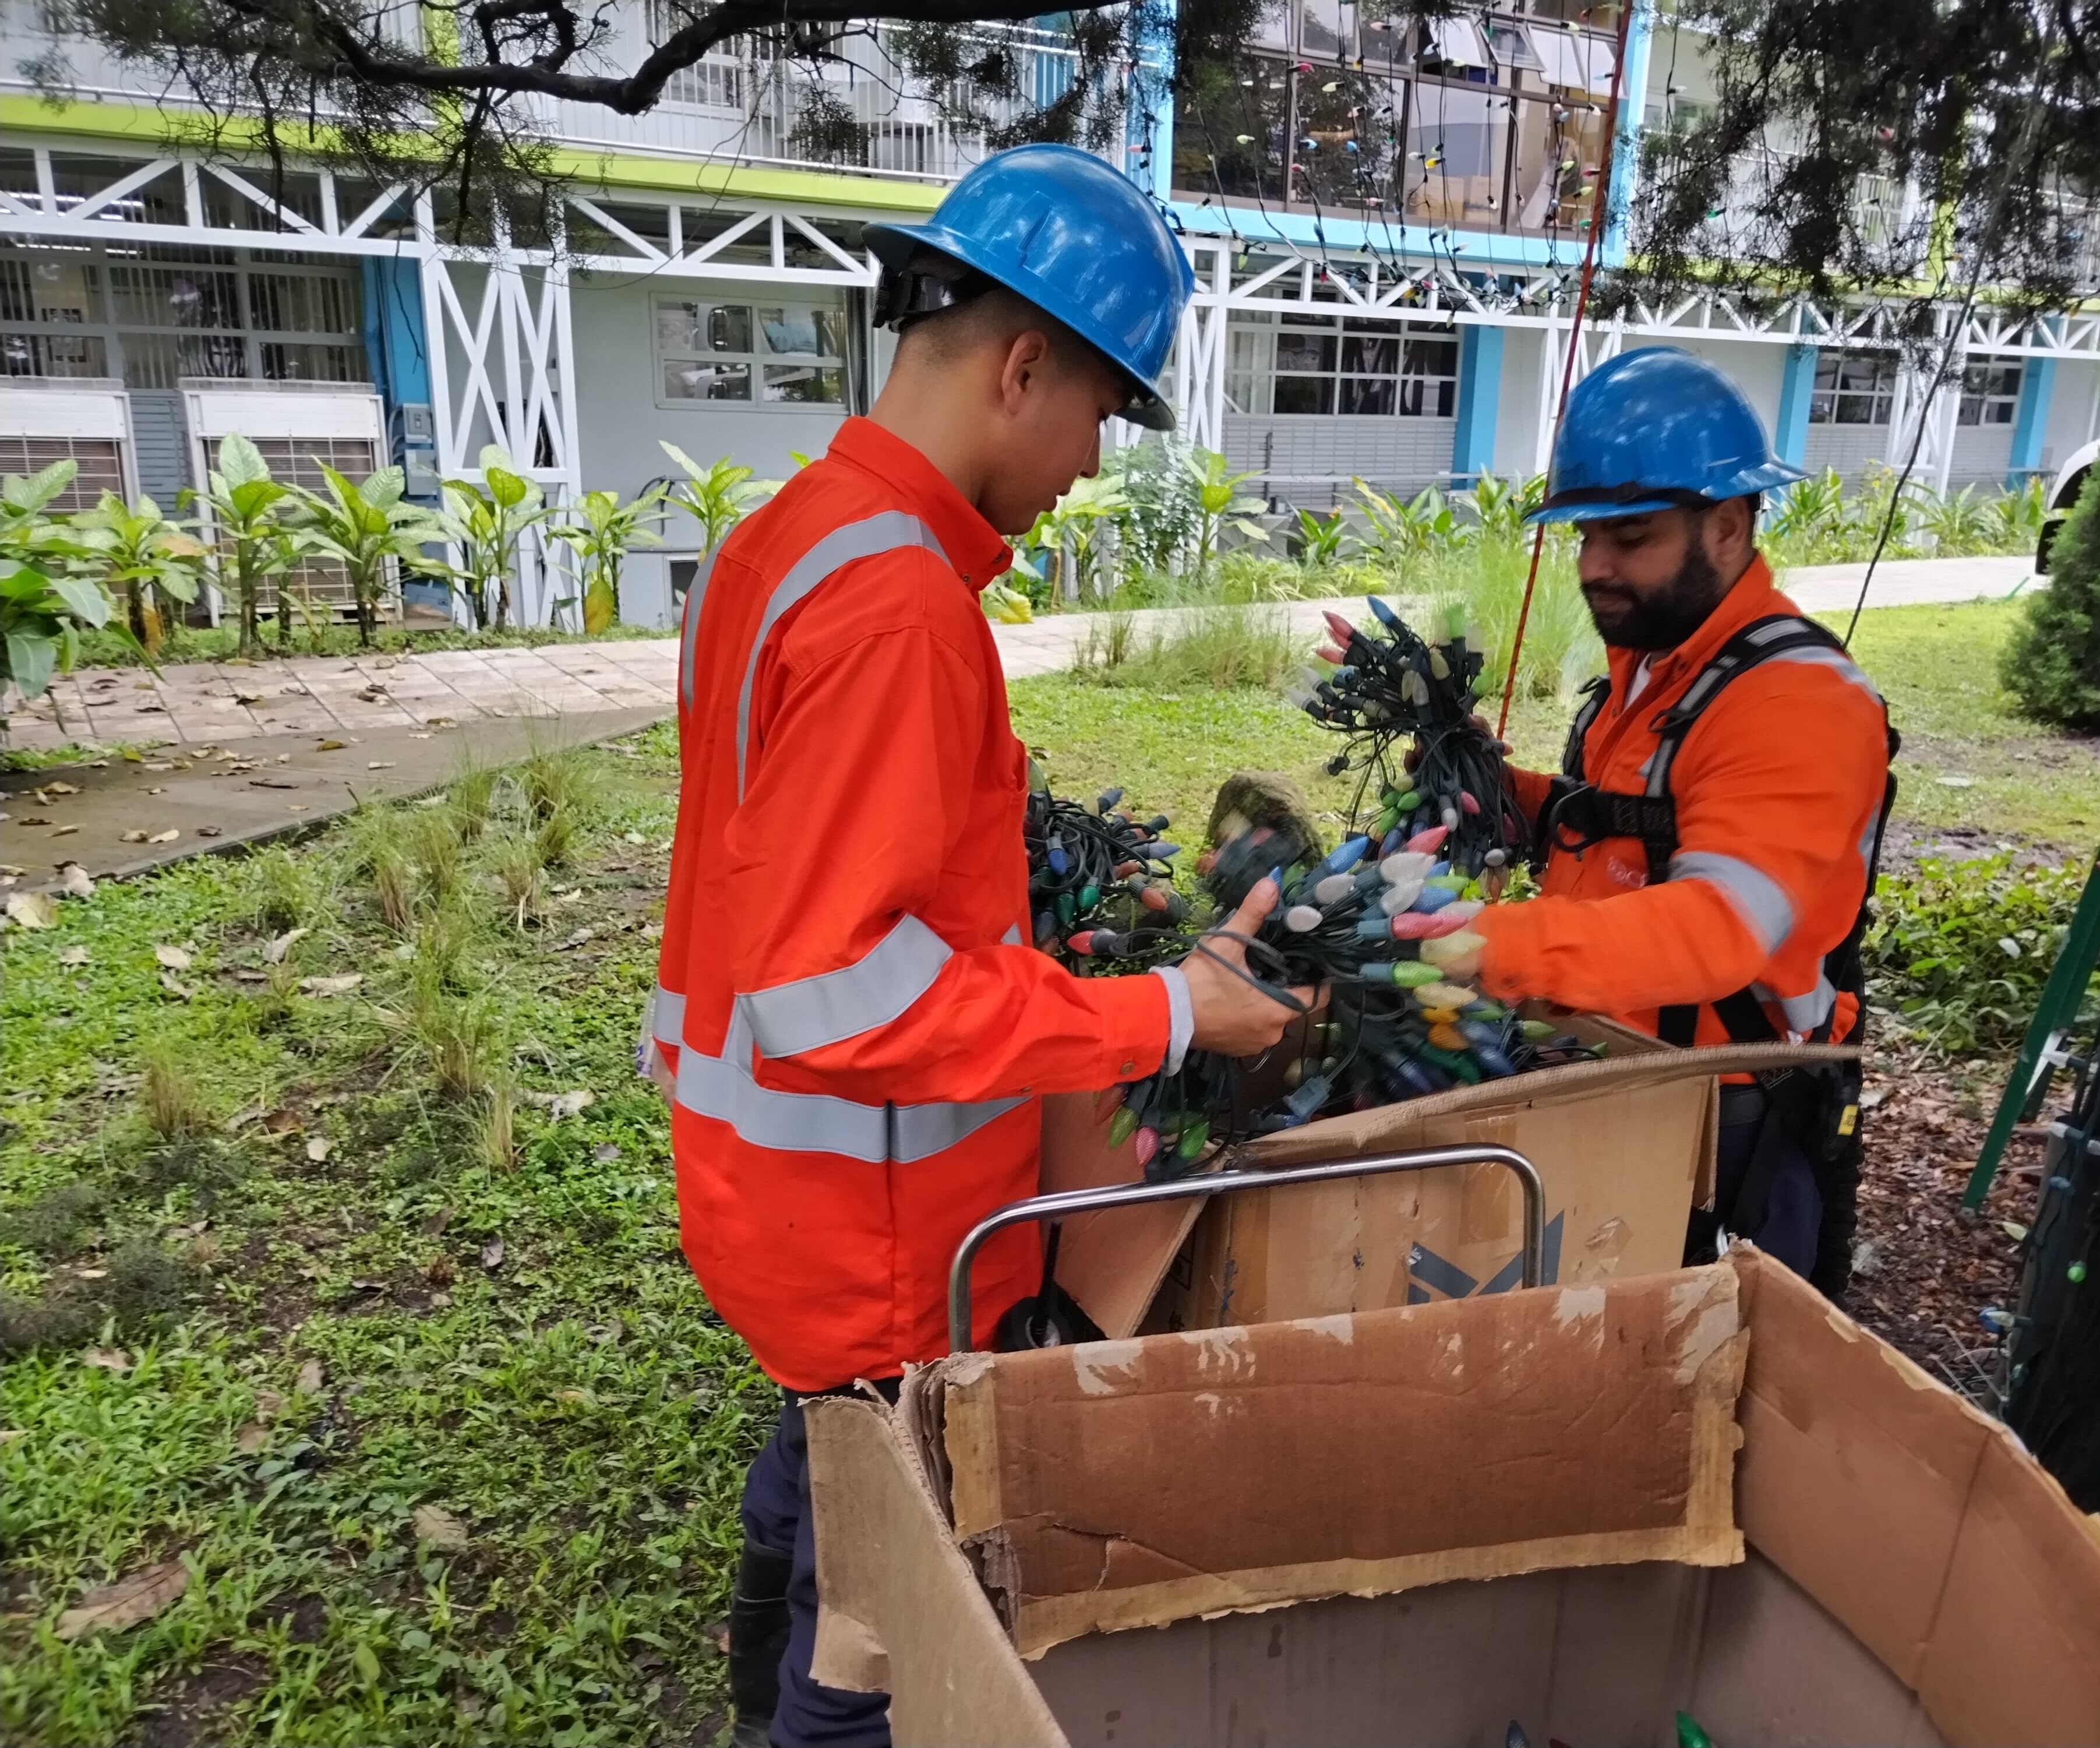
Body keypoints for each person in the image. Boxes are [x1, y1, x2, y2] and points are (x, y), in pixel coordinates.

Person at [644, 144, 1310, 1748]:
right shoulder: (902, 613)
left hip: (775, 1199)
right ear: (1023, 367)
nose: (1096, 459)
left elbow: (786, 905)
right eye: (1102, 414)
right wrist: (1165, 1014)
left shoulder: (784, 542)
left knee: (811, 1479)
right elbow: (838, 992)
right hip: (880, 1238)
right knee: (876, 1646)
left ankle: (758, 1676)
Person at [1427, 347, 1896, 1292]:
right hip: (1609, 1085)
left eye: (1630, 537)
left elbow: (1720, 929)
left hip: (1716, 1140)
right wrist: (1499, 790)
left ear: (1728, 526)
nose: (1595, 568)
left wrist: (1488, 945)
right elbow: (1640, 835)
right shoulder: (1659, 665)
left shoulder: (1797, 704)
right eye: (1583, 536)